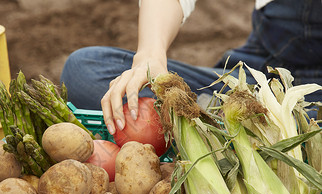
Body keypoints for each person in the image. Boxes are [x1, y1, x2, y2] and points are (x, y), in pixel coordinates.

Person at [60, 0, 322, 135]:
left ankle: (219, 123)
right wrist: (150, 55)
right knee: (84, 71)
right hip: (263, 70)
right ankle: (229, 119)